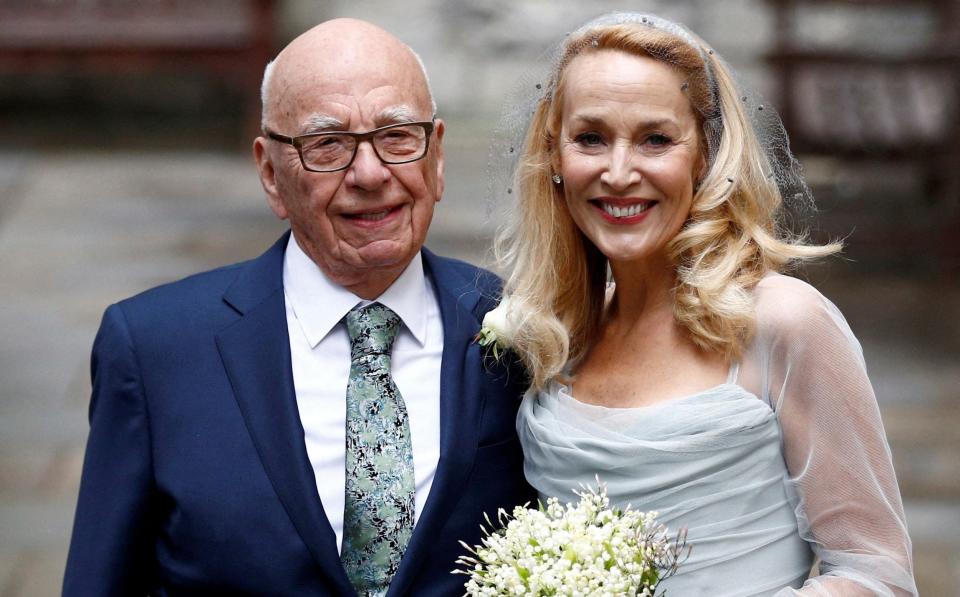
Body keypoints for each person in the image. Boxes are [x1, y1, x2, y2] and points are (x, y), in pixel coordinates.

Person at [63, 18, 534, 596]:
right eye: (327, 145)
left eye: (397, 135)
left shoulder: (527, 328)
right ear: (269, 172)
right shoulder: (154, 348)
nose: (370, 173)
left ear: (436, 157)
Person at [490, 12, 917, 596]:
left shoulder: (783, 322)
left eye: (656, 140)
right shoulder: (557, 335)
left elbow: (876, 573)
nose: (618, 173)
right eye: (591, 138)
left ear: (706, 154)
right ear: (555, 158)